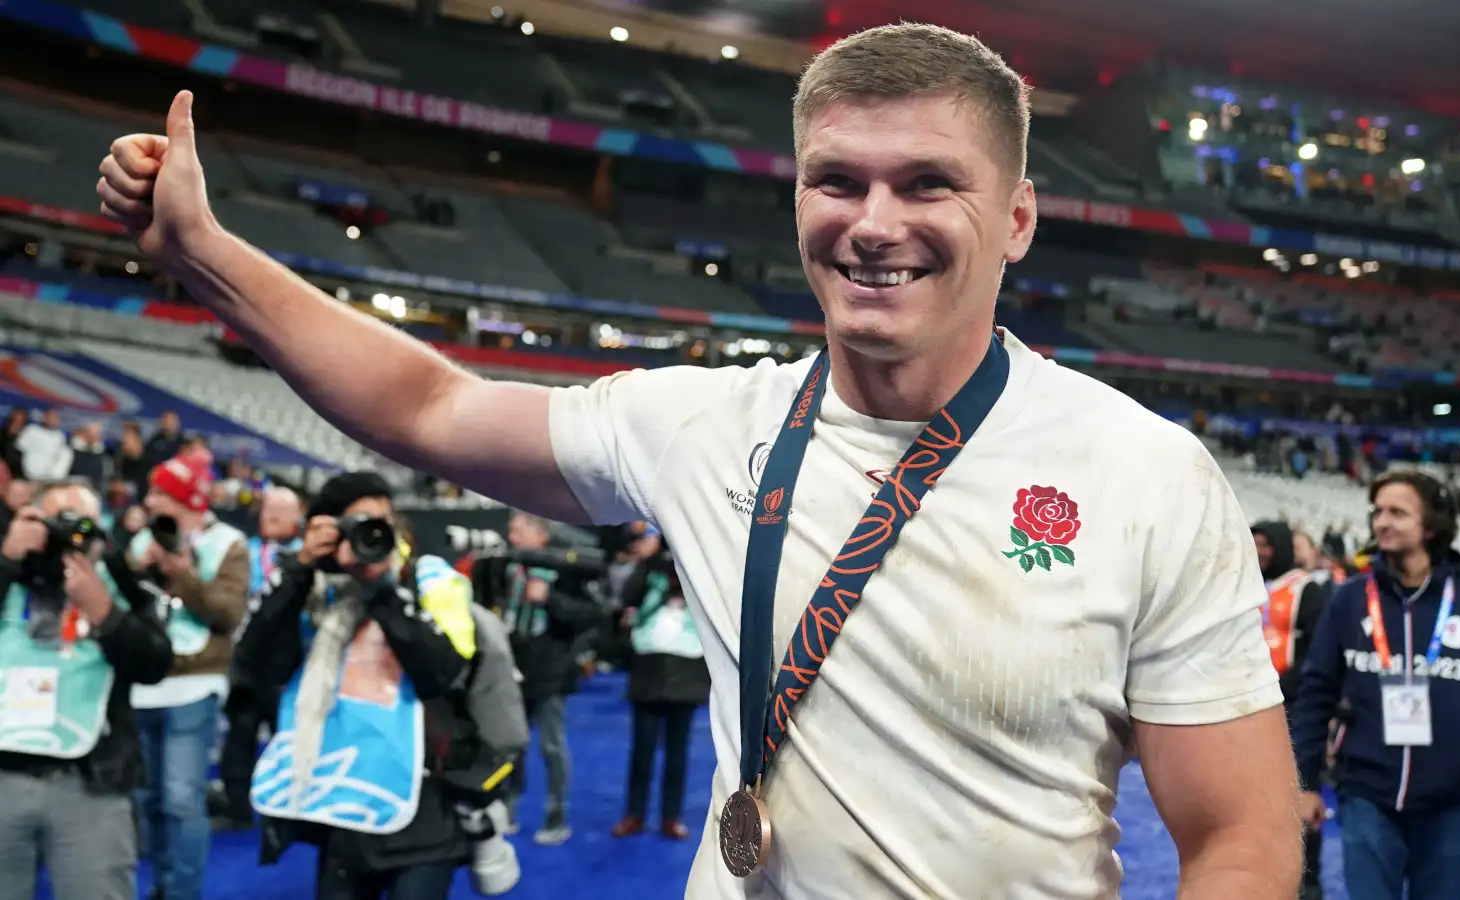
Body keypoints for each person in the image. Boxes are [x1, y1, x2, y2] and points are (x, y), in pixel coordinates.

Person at [96, 23, 1303, 898]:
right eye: (838, 180)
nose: (874, 223)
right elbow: (430, 405)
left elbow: (1240, 840)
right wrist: (206, 256)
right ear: (797, 201)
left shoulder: (1144, 473)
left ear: (1019, 219)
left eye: (929, 183)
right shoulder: (703, 427)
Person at [235, 472, 486, 900]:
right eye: (357, 524)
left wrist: (381, 588)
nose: (373, 533)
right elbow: (256, 660)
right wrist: (300, 569)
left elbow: (445, 672)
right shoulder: (313, 585)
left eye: (381, 521)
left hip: (424, 799)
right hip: (341, 800)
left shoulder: (427, 578)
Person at [1291, 469, 1460, 900]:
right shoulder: (1349, 600)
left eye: (1397, 512)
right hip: (1366, 792)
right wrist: (1306, 783)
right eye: (1377, 511)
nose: (1382, 521)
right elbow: (1315, 695)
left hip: (1451, 802)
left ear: (1431, 525)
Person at [0, 481, 174, 900]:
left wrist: (105, 613)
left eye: (80, 523)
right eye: (55, 520)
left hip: (91, 781)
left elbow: (155, 663)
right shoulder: (8, 568)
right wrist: (7, 560)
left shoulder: (119, 581)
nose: (66, 534)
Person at [127, 448, 251, 900]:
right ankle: (162, 885)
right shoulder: (143, 542)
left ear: (183, 498)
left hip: (195, 685)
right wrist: (135, 573)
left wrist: (183, 575)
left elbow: (228, 614)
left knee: (181, 798)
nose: (150, 498)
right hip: (143, 686)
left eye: (159, 491)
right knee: (148, 800)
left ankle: (183, 893)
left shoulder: (229, 544)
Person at [477, 511, 603, 845]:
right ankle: (507, 809)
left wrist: (550, 599)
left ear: (541, 534)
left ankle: (556, 814)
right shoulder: (508, 566)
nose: (511, 535)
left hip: (551, 669)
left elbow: (592, 613)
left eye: (517, 529)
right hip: (513, 665)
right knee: (510, 742)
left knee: (551, 746)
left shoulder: (567, 569)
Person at [216, 484, 305, 829]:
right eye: (268, 511)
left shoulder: (305, 556)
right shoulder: (245, 552)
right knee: (239, 736)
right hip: (245, 660)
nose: (271, 517)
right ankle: (237, 805)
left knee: (288, 739)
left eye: (280, 513)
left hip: (288, 662)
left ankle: (287, 813)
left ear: (297, 518)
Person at [1251, 520, 1330, 900]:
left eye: (1266, 544)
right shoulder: (1241, 584)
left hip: (1293, 705)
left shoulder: (1307, 589)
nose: (1260, 551)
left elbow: (1318, 650)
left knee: (1297, 793)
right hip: (1247, 705)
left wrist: (1285, 687)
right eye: (1254, 544)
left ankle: (1307, 881)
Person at [613, 541, 711, 840]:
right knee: (641, 750)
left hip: (687, 669)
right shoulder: (649, 568)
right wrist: (651, 564)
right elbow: (627, 598)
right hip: (649, 670)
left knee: (677, 751)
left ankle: (671, 816)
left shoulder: (701, 568)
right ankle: (635, 814)